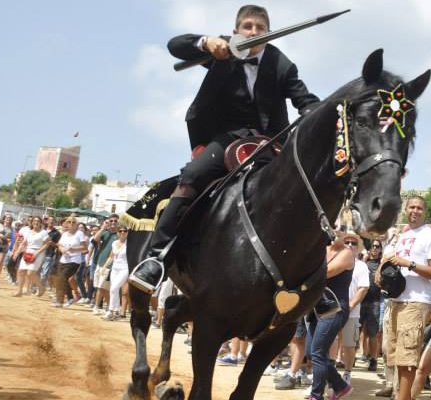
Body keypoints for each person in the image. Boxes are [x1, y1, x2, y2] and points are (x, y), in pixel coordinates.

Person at [130, 4, 321, 292]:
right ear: (236, 31)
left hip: (268, 143)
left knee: (303, 188)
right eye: (248, 27)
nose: (253, 32)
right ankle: (155, 258)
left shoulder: (282, 64)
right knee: (193, 176)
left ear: (268, 34)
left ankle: (314, 279)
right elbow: (175, 46)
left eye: (260, 28)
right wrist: (206, 42)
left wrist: (320, 114)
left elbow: (304, 99)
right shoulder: (223, 49)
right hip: (225, 138)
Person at [377, 195, 431, 400]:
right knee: (393, 355)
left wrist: (410, 264)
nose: (415, 211)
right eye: (411, 207)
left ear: (425, 212)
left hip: (416, 301)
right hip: (395, 300)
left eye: (419, 208)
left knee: (407, 358)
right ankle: (400, 395)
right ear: (406, 210)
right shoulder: (401, 236)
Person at [307, 228, 355, 400]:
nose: (336, 231)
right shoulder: (323, 250)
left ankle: (316, 395)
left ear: (346, 234)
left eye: (341, 229)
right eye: (332, 226)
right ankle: (340, 386)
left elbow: (325, 273)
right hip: (316, 307)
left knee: (318, 352)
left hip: (335, 308)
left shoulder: (347, 253)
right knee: (312, 352)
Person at [340, 232, 370, 384]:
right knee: (329, 344)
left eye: (354, 243)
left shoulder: (362, 266)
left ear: (359, 248)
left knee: (349, 345)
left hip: (351, 313)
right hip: (332, 311)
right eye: (347, 242)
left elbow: (363, 288)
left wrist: (350, 306)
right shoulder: (336, 261)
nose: (350, 245)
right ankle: (325, 376)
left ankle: (347, 373)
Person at [359, 238, 384, 372]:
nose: (374, 248)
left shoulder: (382, 264)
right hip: (360, 301)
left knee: (373, 333)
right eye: (373, 246)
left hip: (375, 301)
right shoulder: (363, 262)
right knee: (356, 331)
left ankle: (373, 359)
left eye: (377, 246)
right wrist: (364, 260)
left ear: (380, 249)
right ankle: (351, 359)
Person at [55, 216, 88, 307]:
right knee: (60, 279)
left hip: (74, 260)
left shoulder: (79, 234)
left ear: (76, 224)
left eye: (73, 222)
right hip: (63, 259)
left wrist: (73, 249)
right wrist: (62, 250)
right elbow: (60, 245)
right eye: (69, 222)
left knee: (63, 277)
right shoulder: (65, 234)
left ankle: (60, 300)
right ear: (66, 223)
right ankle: (70, 298)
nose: (71, 223)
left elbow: (84, 247)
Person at [14, 217, 49, 297]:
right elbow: (24, 243)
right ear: (32, 222)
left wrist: (38, 252)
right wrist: (17, 251)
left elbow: (47, 244)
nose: (36, 222)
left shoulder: (43, 232)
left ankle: (41, 287)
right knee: (21, 271)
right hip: (27, 252)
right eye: (34, 221)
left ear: (41, 223)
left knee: (30, 273)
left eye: (38, 221)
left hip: (38, 252)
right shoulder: (29, 232)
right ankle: (19, 291)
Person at [91, 215, 119, 314]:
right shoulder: (106, 233)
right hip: (100, 262)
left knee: (102, 287)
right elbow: (95, 239)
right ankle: (110, 308)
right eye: (111, 221)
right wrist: (103, 227)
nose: (113, 222)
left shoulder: (120, 235)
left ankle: (98, 306)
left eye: (115, 221)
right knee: (100, 287)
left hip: (110, 265)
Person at [102, 225, 130, 320]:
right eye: (120, 231)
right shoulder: (114, 243)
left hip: (124, 268)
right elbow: (111, 256)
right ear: (117, 233)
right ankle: (116, 311)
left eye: (124, 231)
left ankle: (110, 310)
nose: (122, 232)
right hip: (115, 268)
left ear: (127, 232)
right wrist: (105, 266)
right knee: (114, 289)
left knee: (114, 288)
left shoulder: (130, 244)